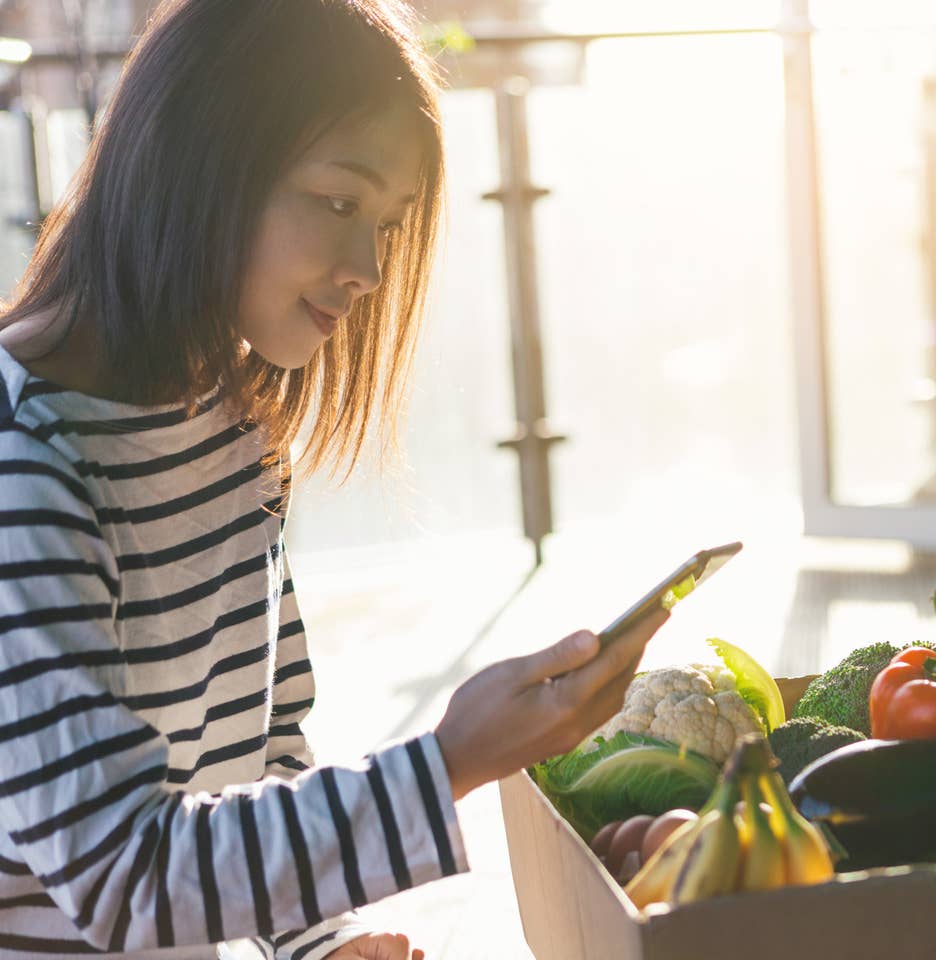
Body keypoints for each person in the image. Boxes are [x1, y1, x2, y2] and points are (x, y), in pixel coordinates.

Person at [0, 1, 665, 957]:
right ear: (204, 163)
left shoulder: (228, 426)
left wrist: (318, 942)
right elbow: (122, 877)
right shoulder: (28, 467)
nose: (366, 270)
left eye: (386, 225)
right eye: (341, 203)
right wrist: (447, 765)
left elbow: (261, 763)